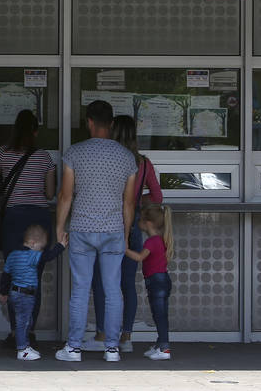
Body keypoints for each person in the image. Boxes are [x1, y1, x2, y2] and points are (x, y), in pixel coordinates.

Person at [54, 100, 138, 363]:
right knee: (113, 289)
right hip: (113, 230)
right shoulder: (127, 158)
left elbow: (65, 196)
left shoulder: (74, 153)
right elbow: (129, 202)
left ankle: (74, 348)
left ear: (89, 121)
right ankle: (112, 349)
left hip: (81, 229)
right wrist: (125, 235)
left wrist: (59, 228)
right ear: (111, 124)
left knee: (80, 288)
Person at [86, 114, 163, 352]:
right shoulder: (144, 163)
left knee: (101, 280)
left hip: (107, 221)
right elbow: (158, 197)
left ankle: (101, 334)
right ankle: (126, 337)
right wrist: (138, 199)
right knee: (127, 283)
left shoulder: (107, 159)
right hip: (133, 228)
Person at [0, 109, 56, 347]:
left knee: (17, 275)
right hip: (39, 218)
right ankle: (30, 331)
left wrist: (9, 190)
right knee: (34, 276)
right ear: (35, 132)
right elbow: (49, 193)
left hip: (13, 218)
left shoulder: (1, 154)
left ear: (14, 129)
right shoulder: (44, 157)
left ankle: (16, 332)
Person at [0, 225, 67, 361]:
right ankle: (22, 349)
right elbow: (49, 256)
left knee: (24, 321)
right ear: (32, 243)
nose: (40, 251)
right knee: (23, 322)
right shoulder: (31, 255)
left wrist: (3, 292)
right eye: (40, 247)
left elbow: (5, 275)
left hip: (14, 293)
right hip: (26, 295)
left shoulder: (12, 255)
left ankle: (25, 346)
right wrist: (61, 246)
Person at [124, 204, 174, 361]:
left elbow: (139, 258)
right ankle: (160, 344)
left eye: (140, 220)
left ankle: (164, 348)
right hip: (163, 280)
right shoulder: (162, 239)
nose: (138, 223)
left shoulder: (151, 242)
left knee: (159, 315)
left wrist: (123, 248)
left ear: (148, 223)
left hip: (155, 281)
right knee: (161, 314)